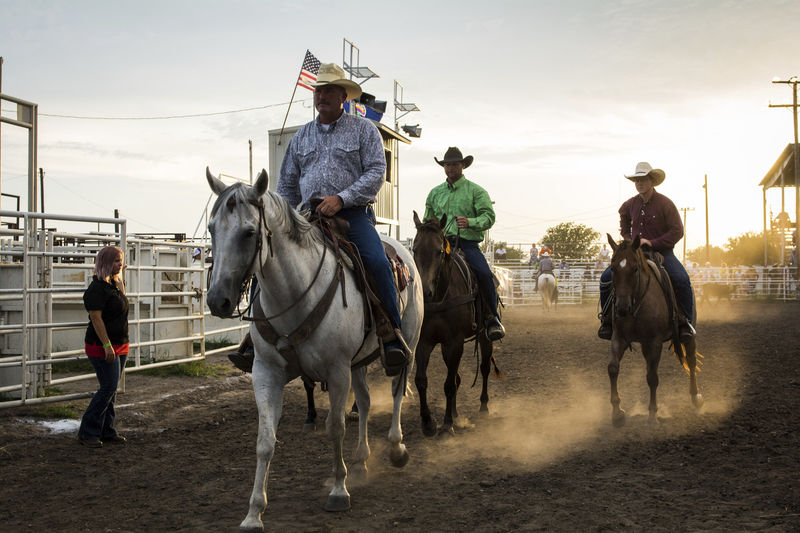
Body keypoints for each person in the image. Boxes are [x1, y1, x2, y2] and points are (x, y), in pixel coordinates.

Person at [276, 62, 408, 375]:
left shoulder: (364, 130)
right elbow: (287, 184)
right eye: (318, 90)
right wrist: (283, 218)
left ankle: (392, 335)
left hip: (352, 215)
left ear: (343, 96)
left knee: (376, 261)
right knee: (271, 256)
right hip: (308, 216)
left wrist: (342, 199)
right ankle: (258, 340)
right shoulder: (301, 137)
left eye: (328, 90)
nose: (321, 95)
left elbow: (377, 170)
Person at [598, 162, 696, 341]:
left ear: (652, 181)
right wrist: (628, 239)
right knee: (606, 279)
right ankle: (606, 321)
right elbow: (624, 220)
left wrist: (652, 242)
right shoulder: (629, 204)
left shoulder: (665, 204)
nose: (639, 183)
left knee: (682, 279)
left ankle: (685, 323)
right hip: (635, 253)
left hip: (663, 253)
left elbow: (677, 231)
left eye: (643, 180)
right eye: (637, 180)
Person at [423, 146, 505, 341]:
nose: (450, 168)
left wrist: (470, 222)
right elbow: (428, 219)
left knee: (484, 274)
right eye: (447, 165)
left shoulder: (476, 191)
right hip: (441, 244)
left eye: (454, 164)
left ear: (463, 166)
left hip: (467, 244)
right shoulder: (435, 193)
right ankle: (415, 314)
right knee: (419, 272)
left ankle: (492, 317)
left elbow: (489, 217)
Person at [77, 246, 129, 448]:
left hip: (120, 344)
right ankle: (88, 431)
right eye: (116, 260)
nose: (120, 264)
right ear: (106, 262)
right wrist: (107, 345)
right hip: (103, 346)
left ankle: (107, 430)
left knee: (112, 390)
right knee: (108, 387)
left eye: (121, 260)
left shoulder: (114, 285)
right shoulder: (96, 289)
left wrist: (119, 278)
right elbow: (96, 319)